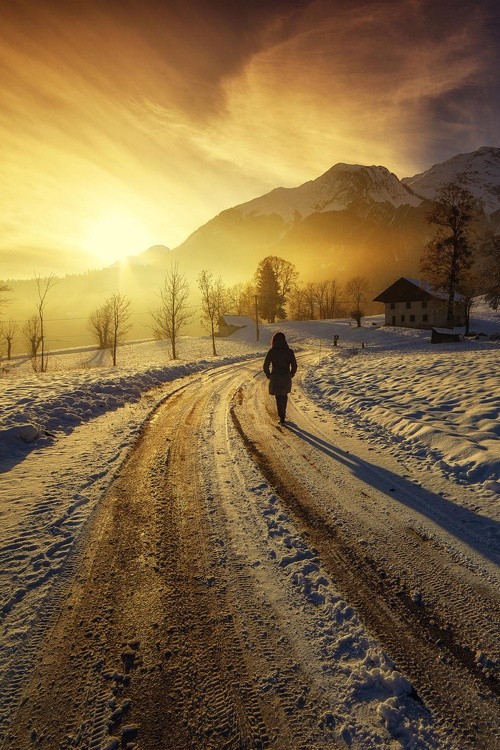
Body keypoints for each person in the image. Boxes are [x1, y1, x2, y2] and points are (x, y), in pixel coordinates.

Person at [263, 331, 297, 424]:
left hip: (275, 376)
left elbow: (266, 365)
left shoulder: (272, 351)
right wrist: (291, 374)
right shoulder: (289, 351)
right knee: (284, 395)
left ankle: (281, 417)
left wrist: (269, 375)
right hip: (286, 376)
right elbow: (294, 365)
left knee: (278, 396)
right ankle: (283, 415)